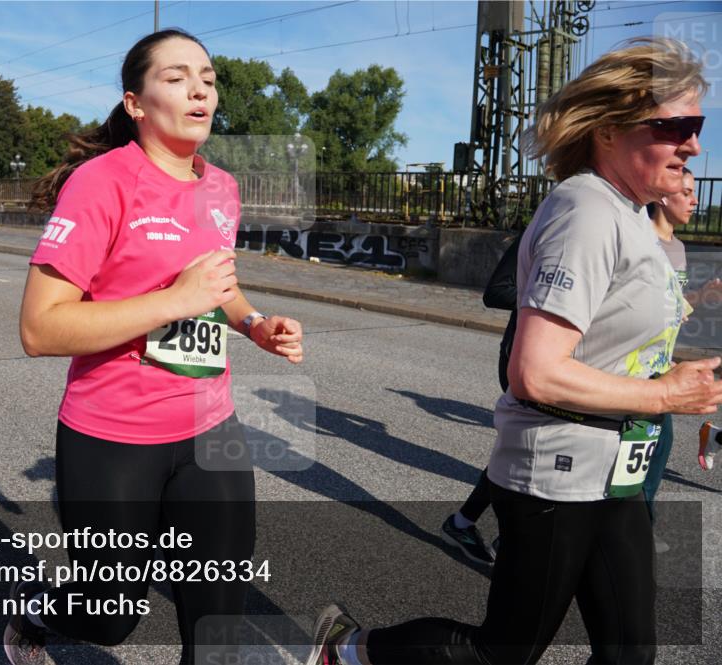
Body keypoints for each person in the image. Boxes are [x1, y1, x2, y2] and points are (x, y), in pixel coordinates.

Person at [308, 37, 722, 665]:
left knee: (631, 654)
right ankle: (348, 650)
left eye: (697, 127)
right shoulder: (586, 209)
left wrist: (684, 383)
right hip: (558, 468)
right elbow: (535, 371)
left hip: (618, 468)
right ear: (609, 129)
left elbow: (619, 349)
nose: (694, 144)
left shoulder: (635, 217)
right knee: (500, 653)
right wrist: (665, 394)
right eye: (677, 126)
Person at [6, 29, 304, 665]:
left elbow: (216, 284)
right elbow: (40, 328)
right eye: (175, 77)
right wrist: (172, 301)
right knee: (112, 618)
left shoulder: (221, 186)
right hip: (112, 437)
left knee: (218, 619)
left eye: (208, 77)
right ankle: (41, 613)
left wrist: (254, 322)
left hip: (210, 429)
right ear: (136, 103)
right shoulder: (101, 183)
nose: (199, 88)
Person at [643, 167, 722, 548]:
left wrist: (701, 298)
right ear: (662, 195)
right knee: (650, 449)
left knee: (656, 451)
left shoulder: (678, 248)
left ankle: (636, 528)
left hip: (660, 364)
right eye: (686, 191)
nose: (695, 200)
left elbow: (671, 307)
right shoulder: (639, 241)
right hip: (634, 368)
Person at [440, 233, 522, 566]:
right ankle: (504, 534)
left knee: (526, 447)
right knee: (524, 445)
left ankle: (467, 524)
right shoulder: (543, 230)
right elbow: (497, 291)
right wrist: (557, 298)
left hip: (575, 361)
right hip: (524, 357)